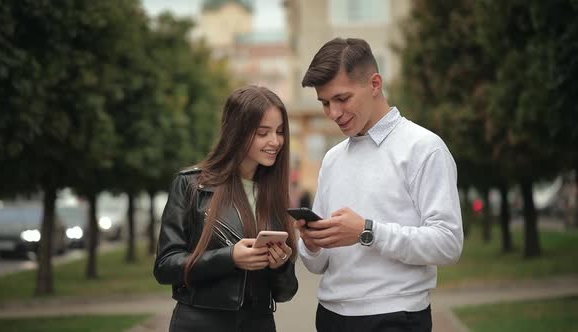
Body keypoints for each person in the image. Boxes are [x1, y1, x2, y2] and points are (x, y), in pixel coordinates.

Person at [295, 37, 464, 332]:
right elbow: (317, 265)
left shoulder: (424, 148)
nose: (333, 113)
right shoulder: (333, 159)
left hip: (394, 317)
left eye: (342, 99)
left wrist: (367, 231)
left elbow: (448, 244)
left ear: (375, 84)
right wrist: (311, 244)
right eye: (325, 103)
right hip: (330, 317)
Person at [154, 86, 299, 332]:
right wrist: (230, 258)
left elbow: (285, 293)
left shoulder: (274, 194)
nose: (275, 142)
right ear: (238, 132)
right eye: (263, 133)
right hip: (200, 323)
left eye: (280, 132)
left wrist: (281, 266)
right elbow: (165, 267)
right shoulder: (191, 185)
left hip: (259, 323)